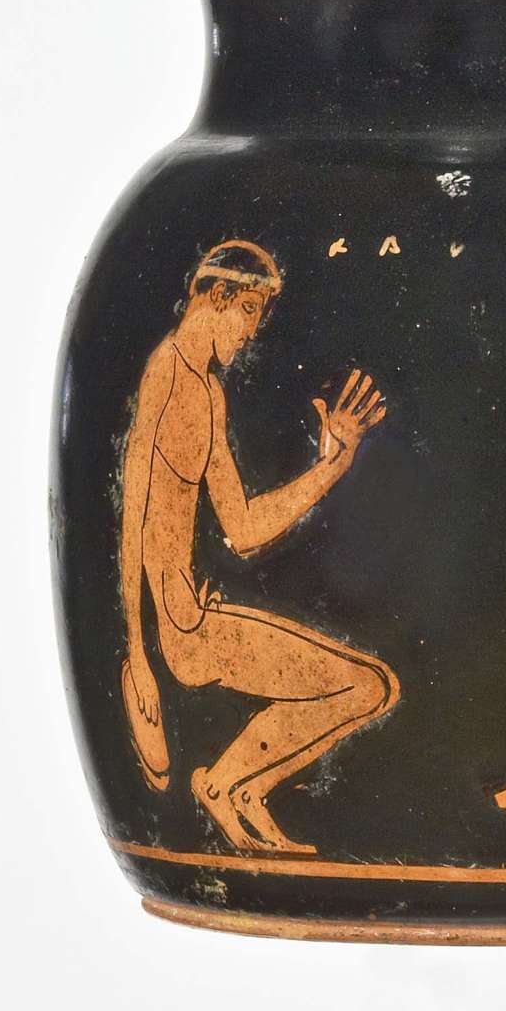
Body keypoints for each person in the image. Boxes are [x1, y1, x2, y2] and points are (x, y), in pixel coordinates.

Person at [117, 239, 396, 854]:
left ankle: (234, 790)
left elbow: (242, 527)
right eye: (249, 311)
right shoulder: (164, 371)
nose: (250, 333)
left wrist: (330, 468)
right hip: (181, 631)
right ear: (218, 296)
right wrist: (136, 653)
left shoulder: (208, 394)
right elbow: (132, 505)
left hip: (196, 619)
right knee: (363, 687)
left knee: (368, 687)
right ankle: (226, 788)